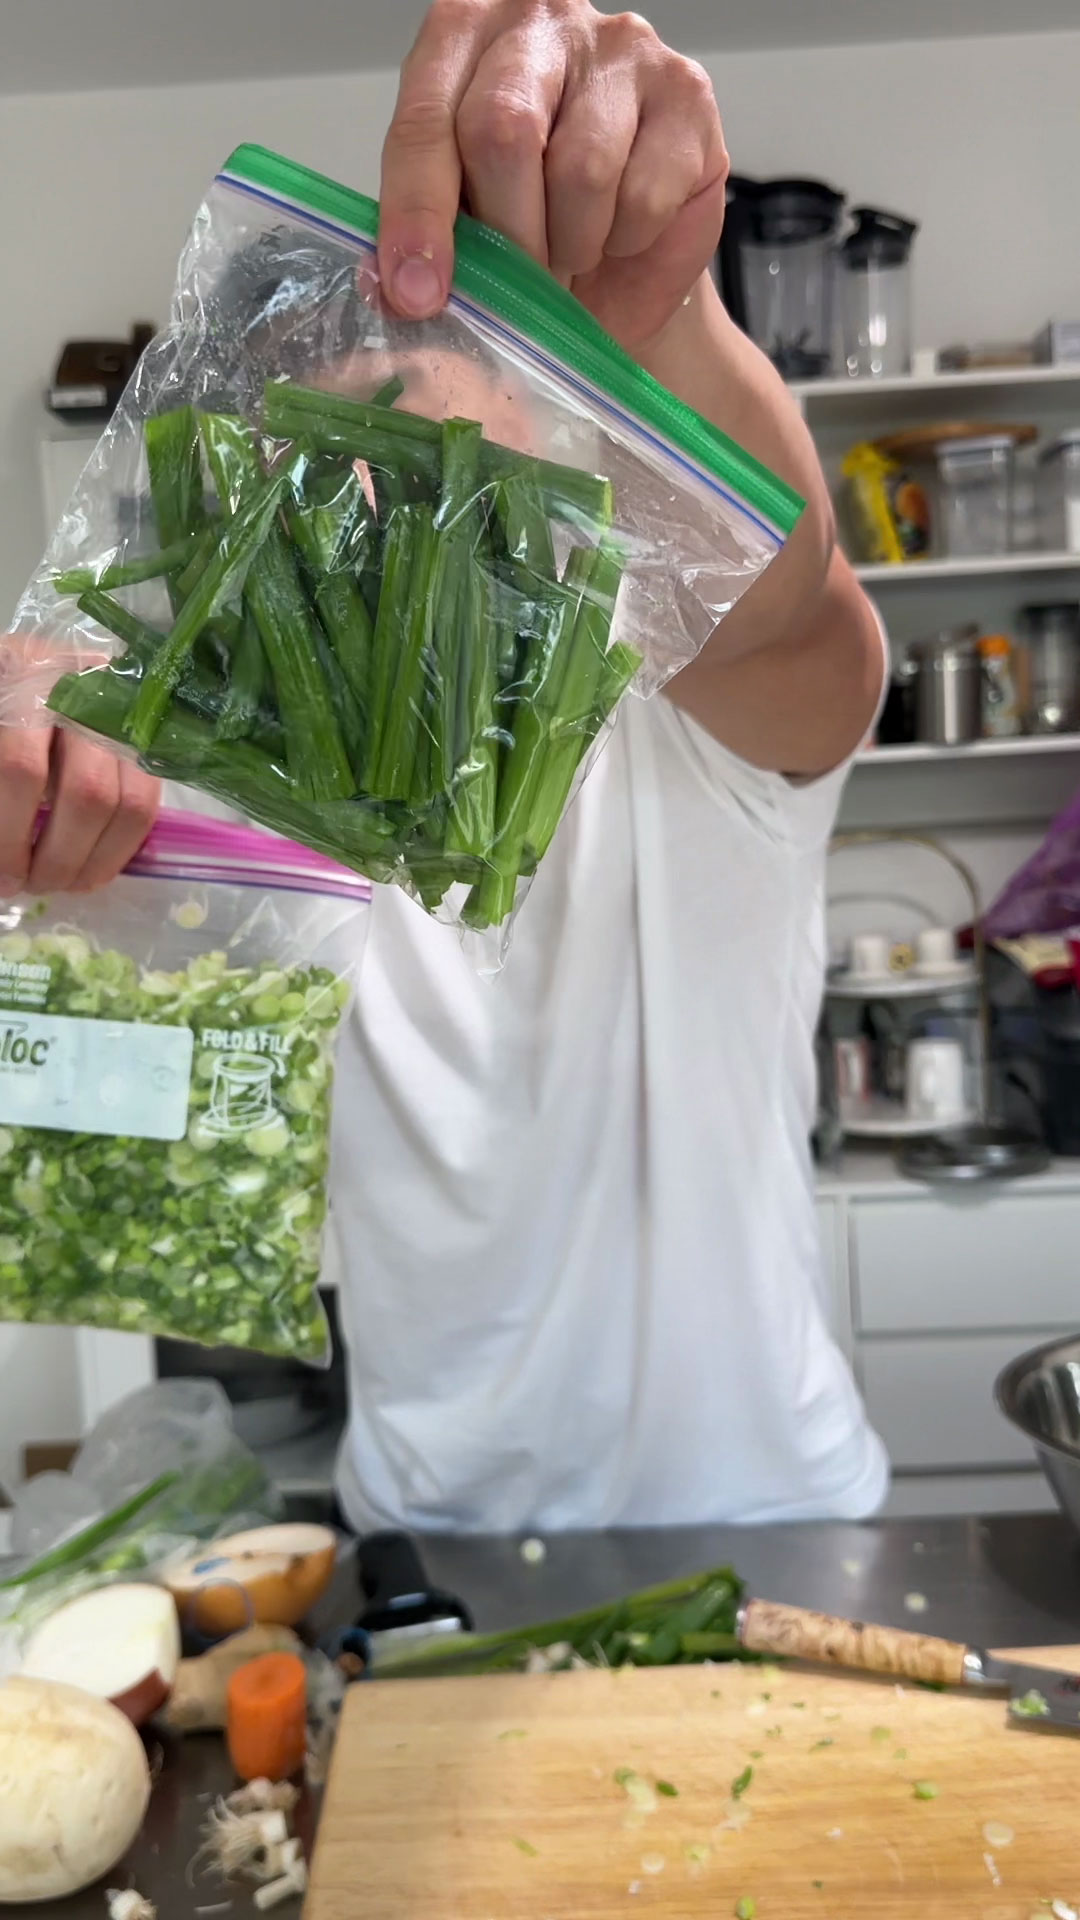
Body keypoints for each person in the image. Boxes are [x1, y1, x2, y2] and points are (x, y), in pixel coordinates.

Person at [0, 0, 889, 1532]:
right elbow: (106, 1113)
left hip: (777, 1514)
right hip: (429, 1533)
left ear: (552, 456)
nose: (380, 517)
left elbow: (794, 603)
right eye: (325, 471)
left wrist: (661, 316)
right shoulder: (214, 801)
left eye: (440, 467)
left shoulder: (696, 717)